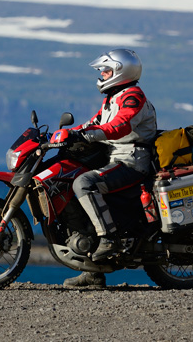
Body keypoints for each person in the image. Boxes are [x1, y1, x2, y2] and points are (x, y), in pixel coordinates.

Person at [59, 48, 157, 288]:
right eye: (102, 70)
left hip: (131, 161)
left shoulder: (132, 96)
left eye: (106, 70)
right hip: (115, 158)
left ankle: (109, 238)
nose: (102, 74)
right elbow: (94, 123)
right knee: (68, 185)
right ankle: (91, 270)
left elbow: (120, 126)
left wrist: (90, 135)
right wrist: (68, 134)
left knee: (85, 183)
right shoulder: (112, 98)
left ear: (121, 72)